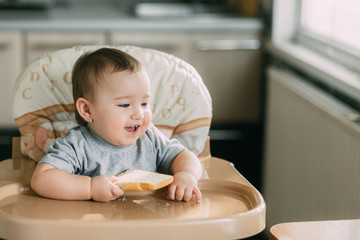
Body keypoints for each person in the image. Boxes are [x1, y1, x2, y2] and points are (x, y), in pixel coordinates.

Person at [31, 47, 203, 203]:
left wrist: (186, 175)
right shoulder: (77, 145)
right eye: (125, 105)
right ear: (87, 110)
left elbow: (185, 156)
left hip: (148, 221)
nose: (139, 114)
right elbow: (42, 179)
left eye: (144, 104)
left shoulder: (150, 137)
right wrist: (90, 188)